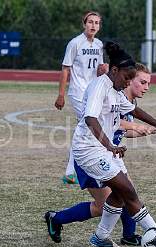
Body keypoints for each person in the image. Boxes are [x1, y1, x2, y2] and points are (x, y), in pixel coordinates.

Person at [47, 42, 156, 247]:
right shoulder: (100, 86)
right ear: (114, 70)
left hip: (104, 151)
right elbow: (90, 118)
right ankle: (155, 231)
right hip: (88, 149)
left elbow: (135, 110)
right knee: (126, 190)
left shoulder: (116, 90)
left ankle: (101, 237)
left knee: (121, 193)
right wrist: (110, 146)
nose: (127, 83)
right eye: (127, 78)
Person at [54, 11, 108, 184]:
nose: (93, 25)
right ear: (84, 24)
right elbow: (65, 69)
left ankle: (71, 172)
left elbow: (99, 69)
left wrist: (104, 69)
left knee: (83, 129)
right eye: (90, 22)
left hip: (92, 92)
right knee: (90, 125)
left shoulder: (99, 44)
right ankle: (74, 171)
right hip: (78, 92)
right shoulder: (75, 43)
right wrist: (61, 94)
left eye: (97, 23)